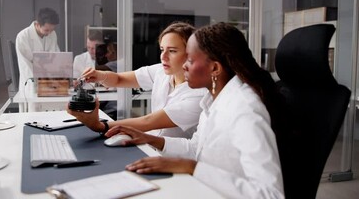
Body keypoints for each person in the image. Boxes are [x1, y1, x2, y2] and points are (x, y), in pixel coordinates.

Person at [105, 22, 285, 198]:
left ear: (214, 68)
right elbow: (196, 149)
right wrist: (150, 139)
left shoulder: (245, 110)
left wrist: (193, 168)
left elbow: (271, 194)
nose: (184, 66)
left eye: (190, 60)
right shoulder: (213, 100)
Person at [67, 22, 207, 139]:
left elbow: (148, 122)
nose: (163, 57)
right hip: (151, 145)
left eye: (172, 51)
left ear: (191, 54)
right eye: (162, 49)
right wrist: (100, 75)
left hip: (174, 159)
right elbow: (119, 79)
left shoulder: (198, 94)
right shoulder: (161, 71)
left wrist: (99, 126)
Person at [15, 8, 60, 92]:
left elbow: (56, 57)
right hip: (31, 85)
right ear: (38, 24)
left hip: (50, 83)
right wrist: (41, 82)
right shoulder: (23, 37)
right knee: (33, 102)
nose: (50, 33)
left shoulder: (52, 34)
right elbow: (26, 67)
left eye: (52, 30)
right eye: (47, 30)